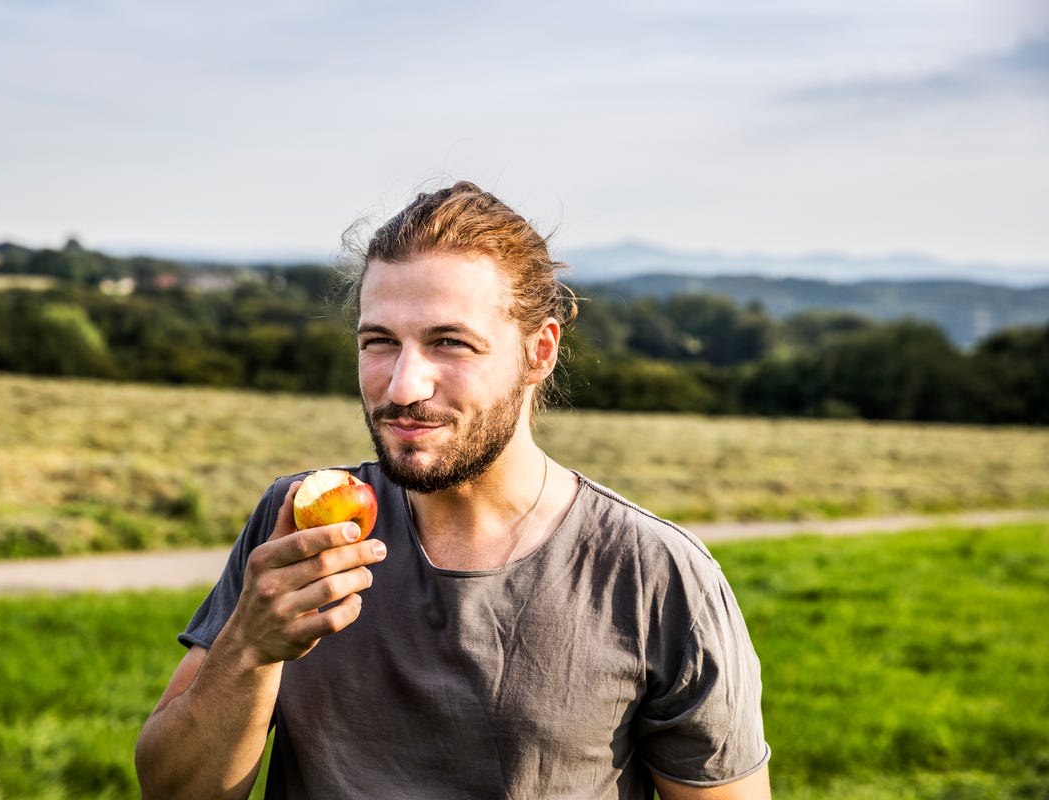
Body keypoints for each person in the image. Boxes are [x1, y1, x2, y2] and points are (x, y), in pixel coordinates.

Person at [135, 181, 771, 799]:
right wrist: (248, 649)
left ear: (539, 352)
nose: (403, 386)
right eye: (379, 342)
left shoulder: (657, 575)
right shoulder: (296, 522)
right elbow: (171, 790)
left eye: (450, 343)